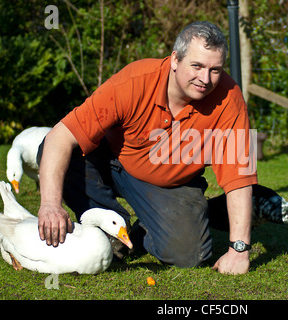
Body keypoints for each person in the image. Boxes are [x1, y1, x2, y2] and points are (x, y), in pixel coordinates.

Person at [36, 21, 257, 275]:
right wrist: (50, 205)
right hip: (112, 161)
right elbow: (59, 137)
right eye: (196, 66)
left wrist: (239, 250)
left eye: (215, 70)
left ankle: (139, 234)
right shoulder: (134, 80)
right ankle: (109, 233)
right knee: (54, 150)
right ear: (175, 59)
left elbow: (240, 177)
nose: (205, 79)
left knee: (188, 254)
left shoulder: (231, 99)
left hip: (172, 184)